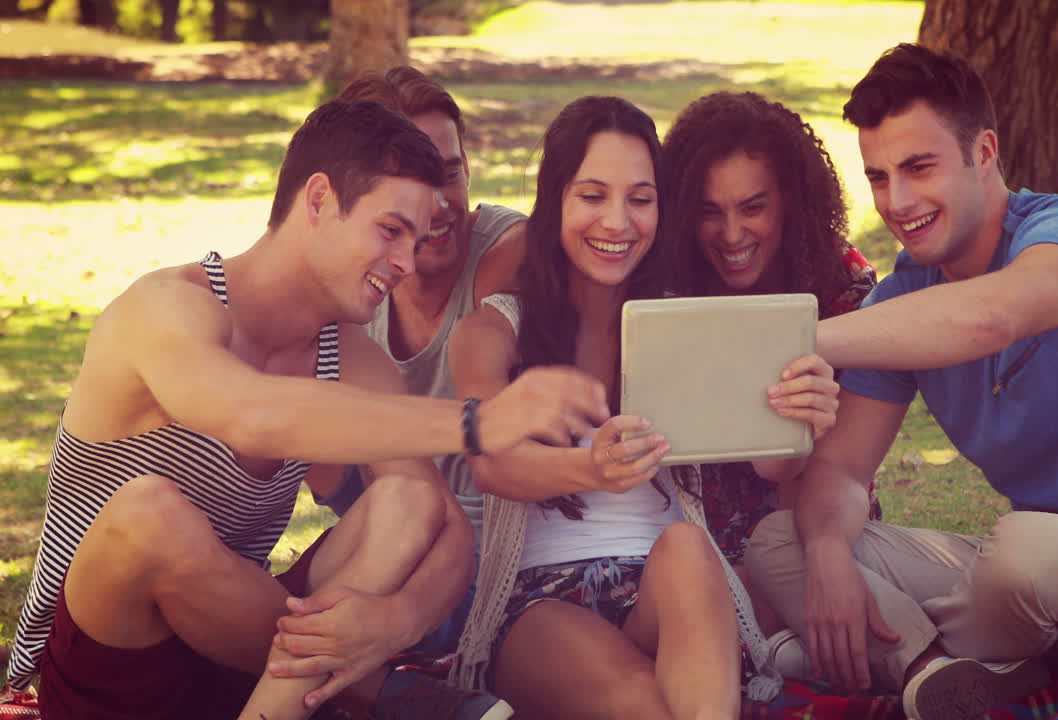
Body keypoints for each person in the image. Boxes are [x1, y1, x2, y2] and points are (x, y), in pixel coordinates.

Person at [5, 99, 610, 720]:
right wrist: (479, 422)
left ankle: (325, 694)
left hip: (235, 664)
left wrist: (391, 620)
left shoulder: (351, 357)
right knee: (148, 512)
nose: (406, 264)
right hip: (102, 668)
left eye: (416, 239)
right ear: (318, 200)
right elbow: (251, 413)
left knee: (409, 500)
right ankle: (372, 691)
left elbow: (444, 527)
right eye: (390, 230)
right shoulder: (165, 308)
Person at [745, 43, 1058, 720]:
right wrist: (833, 554)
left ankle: (885, 652)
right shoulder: (907, 300)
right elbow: (837, 471)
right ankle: (934, 671)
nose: (898, 201)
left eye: (919, 167)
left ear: (983, 153)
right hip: (1032, 586)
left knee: (1024, 548)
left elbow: (990, 318)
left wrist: (804, 337)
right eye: (879, 176)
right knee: (782, 541)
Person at [443, 95, 839, 720]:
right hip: (542, 601)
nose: (618, 222)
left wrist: (800, 418)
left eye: (640, 198)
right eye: (593, 196)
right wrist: (591, 471)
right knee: (645, 703)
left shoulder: (682, 321)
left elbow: (771, 464)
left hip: (669, 593)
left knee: (687, 544)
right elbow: (494, 466)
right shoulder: (495, 332)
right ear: (556, 203)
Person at [303, 66, 527, 658]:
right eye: (410, 180)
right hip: (396, 531)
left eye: (450, 173)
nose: (438, 204)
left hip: (492, 563)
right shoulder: (356, 285)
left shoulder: (504, 254)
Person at [661, 90, 877, 672]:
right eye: (709, 211)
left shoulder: (843, 289)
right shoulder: (664, 292)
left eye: (752, 207)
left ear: (791, 200)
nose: (731, 234)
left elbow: (844, 470)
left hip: (813, 519)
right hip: (690, 536)